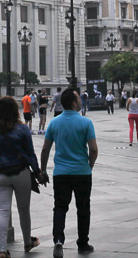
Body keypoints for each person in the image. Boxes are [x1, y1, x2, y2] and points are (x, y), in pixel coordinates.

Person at [40, 88, 97, 257]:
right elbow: (93, 149)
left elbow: (45, 149)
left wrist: (42, 170)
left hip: (61, 173)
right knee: (83, 207)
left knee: (60, 207)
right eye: (78, 98)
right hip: (82, 172)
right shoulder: (86, 123)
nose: (80, 101)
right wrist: (89, 166)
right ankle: (83, 242)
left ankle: (58, 240)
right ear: (73, 103)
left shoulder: (54, 123)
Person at [0, 96, 43, 258]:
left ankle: (2, 249)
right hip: (20, 173)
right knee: (23, 210)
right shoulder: (23, 129)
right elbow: (31, 154)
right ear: (15, 111)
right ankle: (27, 242)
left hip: (0, 175)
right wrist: (38, 172)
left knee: (3, 211)